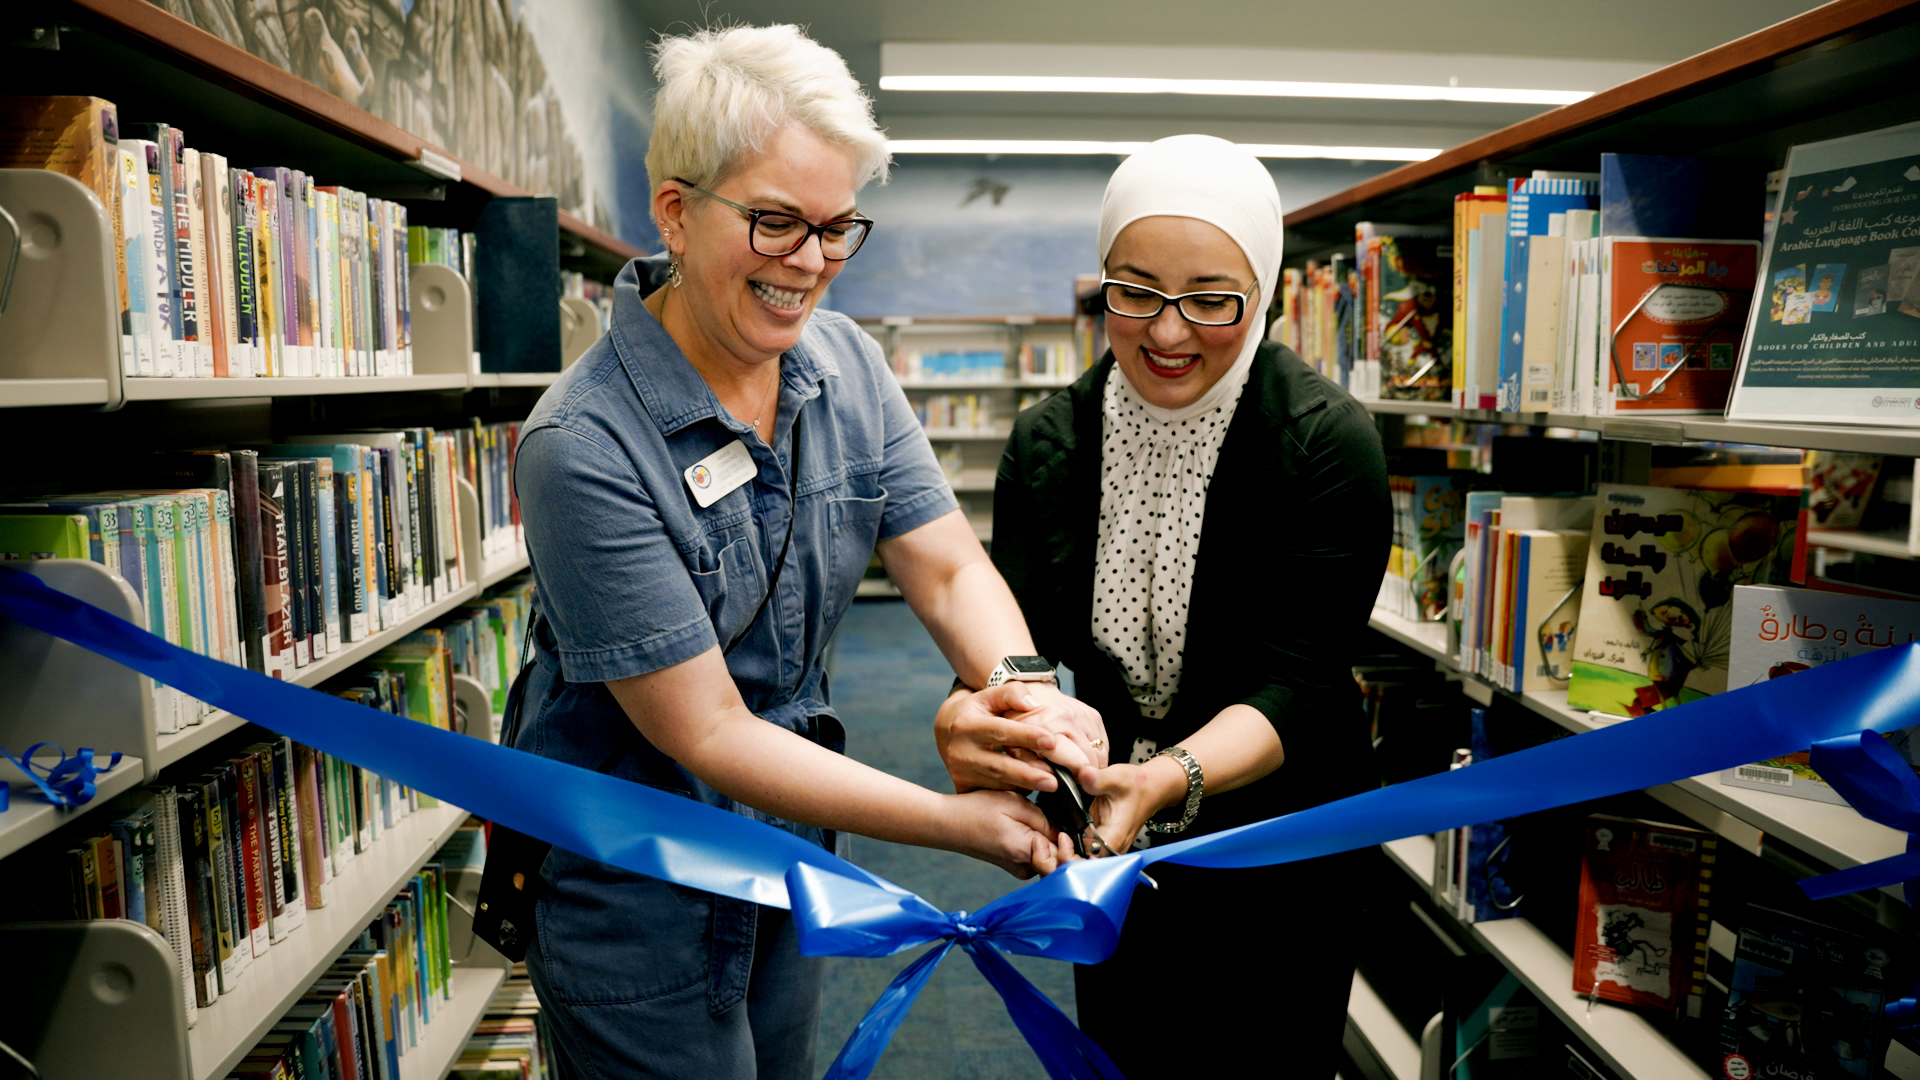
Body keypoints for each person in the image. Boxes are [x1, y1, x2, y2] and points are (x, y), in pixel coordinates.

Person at [507, 24, 1105, 1080]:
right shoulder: (581, 444)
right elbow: (711, 734)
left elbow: (950, 566)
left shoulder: (847, 365)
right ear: (678, 214)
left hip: (792, 851)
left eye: (837, 228)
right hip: (638, 886)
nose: (811, 265)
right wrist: (956, 825)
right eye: (777, 223)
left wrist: (1023, 700)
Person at [965, 134, 1390, 1076]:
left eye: (1210, 300)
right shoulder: (1046, 444)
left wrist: (1165, 781)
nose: (1167, 332)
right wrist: (1000, 729)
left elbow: (1297, 683)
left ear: (1266, 293)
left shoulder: (1325, 442)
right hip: (1106, 836)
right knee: (1124, 1049)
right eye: (1136, 290)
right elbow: (1017, 650)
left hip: (1285, 835)